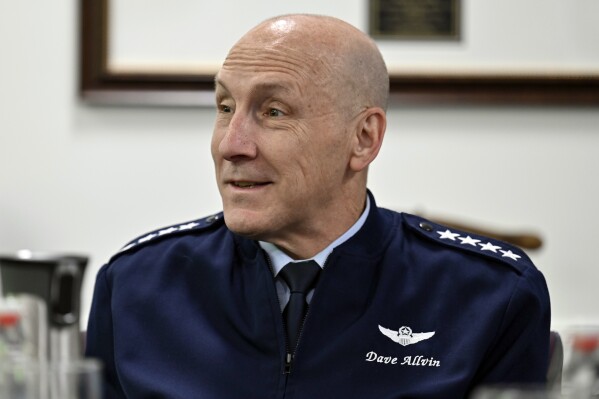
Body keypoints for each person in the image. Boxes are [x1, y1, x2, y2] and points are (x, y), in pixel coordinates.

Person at [85, 14, 551, 398]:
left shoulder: (490, 295)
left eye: (274, 112)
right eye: (225, 107)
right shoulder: (135, 285)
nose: (232, 144)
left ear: (363, 138)